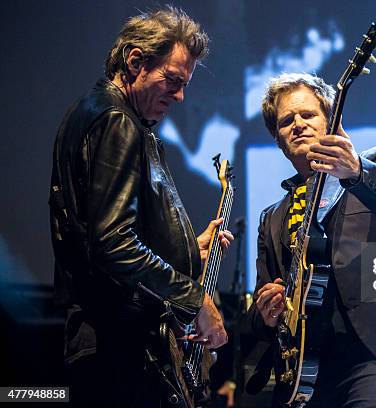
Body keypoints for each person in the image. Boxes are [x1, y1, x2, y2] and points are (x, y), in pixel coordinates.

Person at [49, 6, 232, 407]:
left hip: (104, 340)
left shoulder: (92, 112)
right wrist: (194, 297)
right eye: (172, 81)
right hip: (120, 345)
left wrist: (182, 249)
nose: (180, 97)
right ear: (135, 62)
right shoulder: (118, 121)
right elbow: (113, 243)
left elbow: (102, 229)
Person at [246, 73, 376, 407]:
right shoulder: (272, 218)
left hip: (371, 356)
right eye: (286, 121)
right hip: (303, 371)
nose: (298, 124)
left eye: (308, 115)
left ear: (331, 121)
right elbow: (261, 303)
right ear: (278, 140)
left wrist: (357, 172)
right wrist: (264, 312)